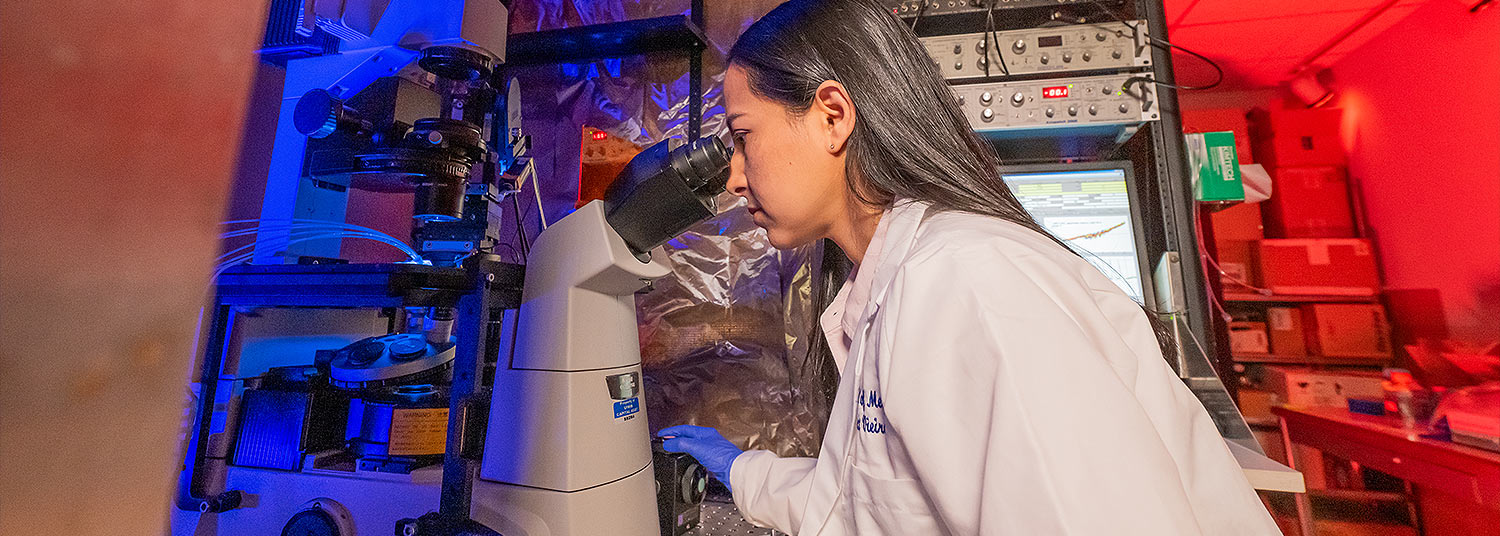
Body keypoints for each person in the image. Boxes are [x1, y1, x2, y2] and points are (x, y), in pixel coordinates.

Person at [657, 0, 1281, 534]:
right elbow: (860, 501)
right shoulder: (892, 288)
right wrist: (740, 468)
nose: (735, 177)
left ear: (833, 116)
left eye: (743, 136)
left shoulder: (965, 283)